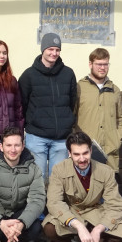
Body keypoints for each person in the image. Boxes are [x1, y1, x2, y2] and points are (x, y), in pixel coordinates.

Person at [42, 132, 122, 242]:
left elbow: (116, 206)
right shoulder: (59, 169)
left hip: (95, 212)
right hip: (71, 211)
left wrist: (99, 229)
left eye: (85, 153)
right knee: (49, 227)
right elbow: (54, 202)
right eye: (76, 154)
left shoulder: (106, 171)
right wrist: (78, 226)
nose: (82, 159)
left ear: (91, 150)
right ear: (69, 153)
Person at [18, 33, 77, 180]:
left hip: (61, 138)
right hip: (37, 137)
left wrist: (67, 122)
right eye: (50, 49)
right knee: (37, 178)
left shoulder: (68, 74)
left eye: (57, 50)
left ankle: (53, 204)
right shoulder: (28, 75)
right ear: (43, 49)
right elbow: (22, 103)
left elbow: (72, 101)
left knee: (58, 179)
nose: (54, 53)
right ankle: (38, 204)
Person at [75, 48, 122, 173]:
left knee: (108, 190)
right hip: (85, 151)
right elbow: (72, 116)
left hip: (110, 151)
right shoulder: (79, 87)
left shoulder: (115, 90)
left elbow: (120, 118)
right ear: (90, 64)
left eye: (105, 64)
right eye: (99, 64)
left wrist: (119, 138)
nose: (102, 67)